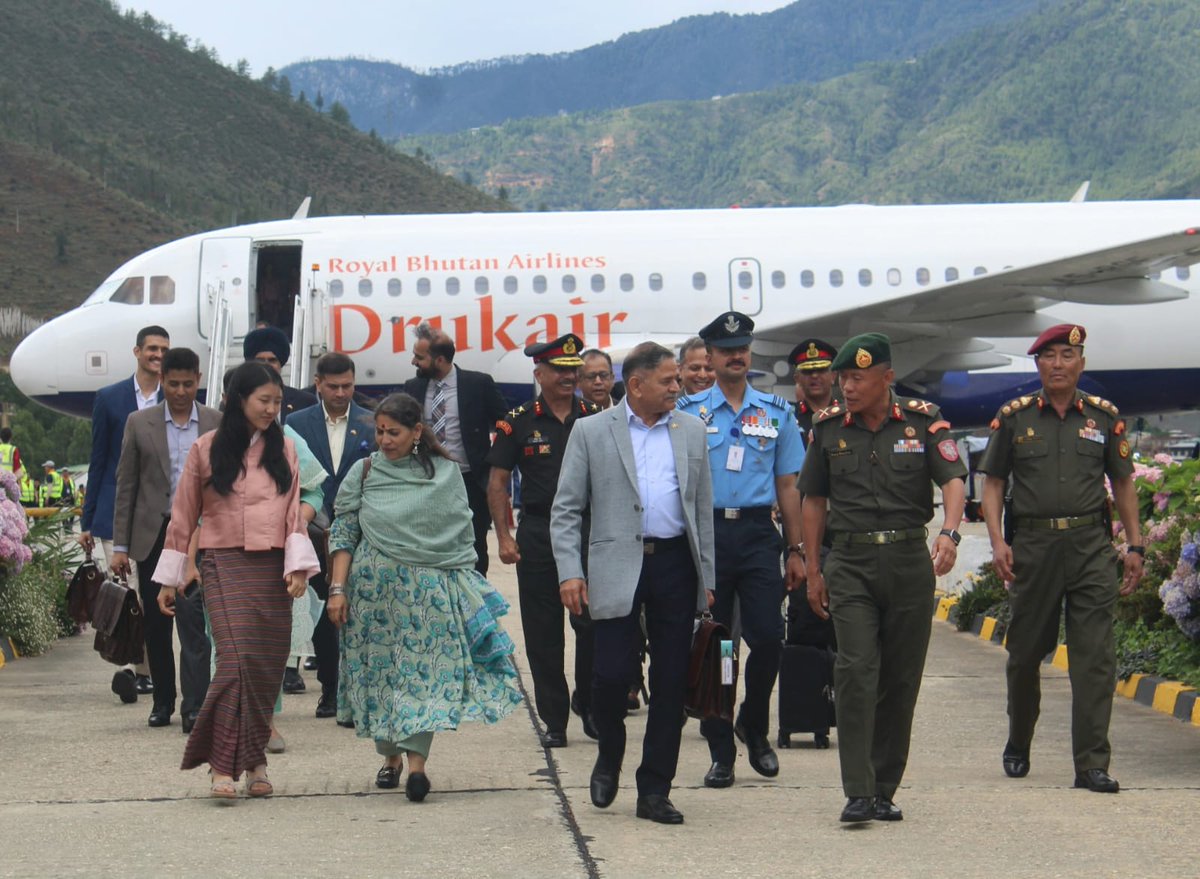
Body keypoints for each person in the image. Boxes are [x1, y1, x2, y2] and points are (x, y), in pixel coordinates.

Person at [799, 332, 966, 822]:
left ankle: (884, 787)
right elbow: (813, 500)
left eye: (857, 378)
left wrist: (950, 533)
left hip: (908, 562)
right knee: (854, 671)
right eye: (843, 378)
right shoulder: (829, 428)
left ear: (886, 378)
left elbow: (954, 479)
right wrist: (813, 569)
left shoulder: (922, 421)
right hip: (849, 563)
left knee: (899, 678)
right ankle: (857, 789)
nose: (846, 387)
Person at [325, 393, 523, 801]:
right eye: (379, 432)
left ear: (417, 432)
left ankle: (416, 765)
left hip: (428, 598)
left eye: (393, 432)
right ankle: (390, 757)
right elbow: (343, 534)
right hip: (372, 599)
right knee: (381, 678)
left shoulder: (445, 474)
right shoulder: (362, 473)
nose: (384, 440)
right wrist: (337, 590)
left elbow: (458, 534)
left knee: (424, 677)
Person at [552, 342, 715, 825]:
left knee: (670, 681)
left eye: (677, 379)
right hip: (615, 564)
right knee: (610, 675)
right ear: (637, 384)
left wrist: (707, 577)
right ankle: (609, 756)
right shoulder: (591, 431)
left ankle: (655, 789)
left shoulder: (692, 431)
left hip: (674, 567)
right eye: (667, 380)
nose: (677, 387)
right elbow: (566, 510)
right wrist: (570, 571)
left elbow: (701, 509)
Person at [979, 323, 1144, 794]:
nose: (1057, 365)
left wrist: (1135, 545)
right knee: (1025, 654)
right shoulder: (1014, 418)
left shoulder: (1103, 417)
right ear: (1037, 365)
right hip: (1033, 548)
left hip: (1091, 547)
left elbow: (1125, 482)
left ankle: (1091, 764)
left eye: (1067, 356)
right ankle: (1019, 739)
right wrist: (997, 542)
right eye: (1048, 356)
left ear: (1081, 364)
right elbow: (992, 483)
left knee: (1094, 659)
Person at [151, 361, 319, 799]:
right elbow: (184, 515)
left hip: (274, 570)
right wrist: (170, 578)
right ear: (238, 400)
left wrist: (298, 567)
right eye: (264, 401)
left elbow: (292, 512)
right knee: (235, 662)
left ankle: (256, 759)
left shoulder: (284, 450)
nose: (272, 409)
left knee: (264, 669)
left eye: (277, 402)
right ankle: (221, 767)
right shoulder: (206, 449)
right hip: (223, 564)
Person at [676, 312, 806, 789]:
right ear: (708, 357)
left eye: (743, 347)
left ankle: (753, 721)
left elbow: (788, 484)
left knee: (769, 637)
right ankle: (720, 748)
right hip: (708, 536)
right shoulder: (687, 412)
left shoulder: (775, 412)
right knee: (719, 645)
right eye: (726, 348)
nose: (737, 355)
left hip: (756, 534)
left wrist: (797, 550)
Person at [487, 333, 601, 748]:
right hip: (538, 533)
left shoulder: (595, 415)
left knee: (592, 627)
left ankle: (589, 706)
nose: (569, 377)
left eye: (574, 370)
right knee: (542, 633)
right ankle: (554, 720)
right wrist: (504, 536)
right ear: (540, 373)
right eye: (560, 370)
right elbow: (498, 481)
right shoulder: (518, 420)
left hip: (588, 533)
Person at [110, 348, 219, 733]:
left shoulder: (214, 421)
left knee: (193, 619)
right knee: (157, 622)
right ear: (162, 381)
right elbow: (127, 487)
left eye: (188, 384)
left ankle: (194, 704)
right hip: (153, 533)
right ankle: (162, 700)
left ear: (198, 380)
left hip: (200, 532)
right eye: (173, 384)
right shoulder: (139, 423)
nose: (180, 391)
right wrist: (120, 546)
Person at [80, 325, 168, 702]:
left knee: (150, 594)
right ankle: (138, 668)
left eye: (164, 349)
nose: (158, 354)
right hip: (115, 515)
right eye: (151, 348)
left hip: (158, 513)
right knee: (128, 592)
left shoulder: (176, 398)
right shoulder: (110, 398)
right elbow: (98, 461)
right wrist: (87, 520)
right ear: (137, 352)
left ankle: (145, 668)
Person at [286, 351, 375, 719]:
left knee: (361, 610)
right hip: (315, 530)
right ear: (318, 385)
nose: (341, 393)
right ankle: (331, 689)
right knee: (323, 611)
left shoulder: (371, 423)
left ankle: (362, 690)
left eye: (348, 386)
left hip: (363, 531)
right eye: (334, 386)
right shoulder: (296, 423)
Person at [403, 323, 508, 576]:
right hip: (425, 481)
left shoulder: (478, 384)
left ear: (439, 359)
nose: (413, 362)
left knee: (474, 548)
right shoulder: (413, 387)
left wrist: (496, 464)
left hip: (469, 482)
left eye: (419, 357)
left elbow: (506, 423)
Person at [243, 326, 318, 421]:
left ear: (281, 364)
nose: (266, 365)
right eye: (260, 360)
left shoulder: (305, 402)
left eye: (272, 360)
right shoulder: (240, 400)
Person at [788, 338, 841, 447]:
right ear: (797, 379)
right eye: (808, 371)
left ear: (833, 376)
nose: (814, 376)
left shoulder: (847, 415)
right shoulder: (788, 417)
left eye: (821, 370)